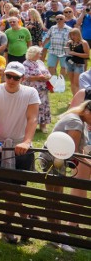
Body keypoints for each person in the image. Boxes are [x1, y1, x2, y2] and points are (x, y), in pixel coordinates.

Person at [0, 61, 40, 245]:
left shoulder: (30, 93)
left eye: (16, 77)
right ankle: (27, 216)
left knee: (15, 188)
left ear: (23, 78)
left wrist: (27, 141)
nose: (12, 80)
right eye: (9, 76)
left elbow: (33, 118)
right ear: (4, 75)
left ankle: (8, 228)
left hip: (20, 146)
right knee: (4, 188)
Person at [40, 100, 91, 252]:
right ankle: (56, 235)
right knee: (53, 198)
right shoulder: (76, 123)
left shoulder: (77, 119)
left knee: (56, 198)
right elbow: (74, 153)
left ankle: (58, 233)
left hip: (56, 161)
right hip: (53, 161)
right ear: (88, 111)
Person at [64, 27, 89, 95]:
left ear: (78, 35)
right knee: (72, 82)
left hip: (79, 64)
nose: (72, 36)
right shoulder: (69, 42)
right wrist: (67, 50)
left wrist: (75, 53)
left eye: (74, 35)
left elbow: (87, 55)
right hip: (69, 63)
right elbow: (67, 53)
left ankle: (78, 99)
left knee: (77, 82)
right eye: (71, 35)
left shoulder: (84, 43)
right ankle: (74, 98)